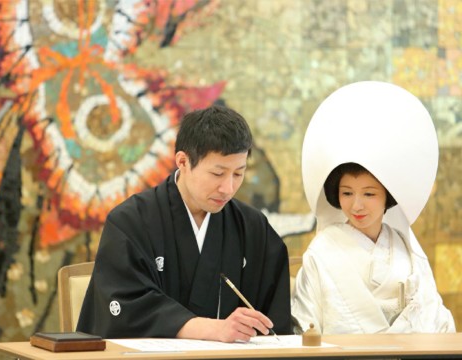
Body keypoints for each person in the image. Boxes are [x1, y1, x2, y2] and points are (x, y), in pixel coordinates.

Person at [77, 105, 293, 342]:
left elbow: (275, 327)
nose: (228, 188)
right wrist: (213, 330)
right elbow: (124, 307)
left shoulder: (253, 228)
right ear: (183, 161)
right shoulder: (130, 221)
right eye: (218, 173)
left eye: (238, 174)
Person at [292, 81, 456, 334]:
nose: (356, 205)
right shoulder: (321, 251)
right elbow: (305, 324)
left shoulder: (406, 249)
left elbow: (435, 318)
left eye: (369, 193)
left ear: (387, 196)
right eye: (347, 193)